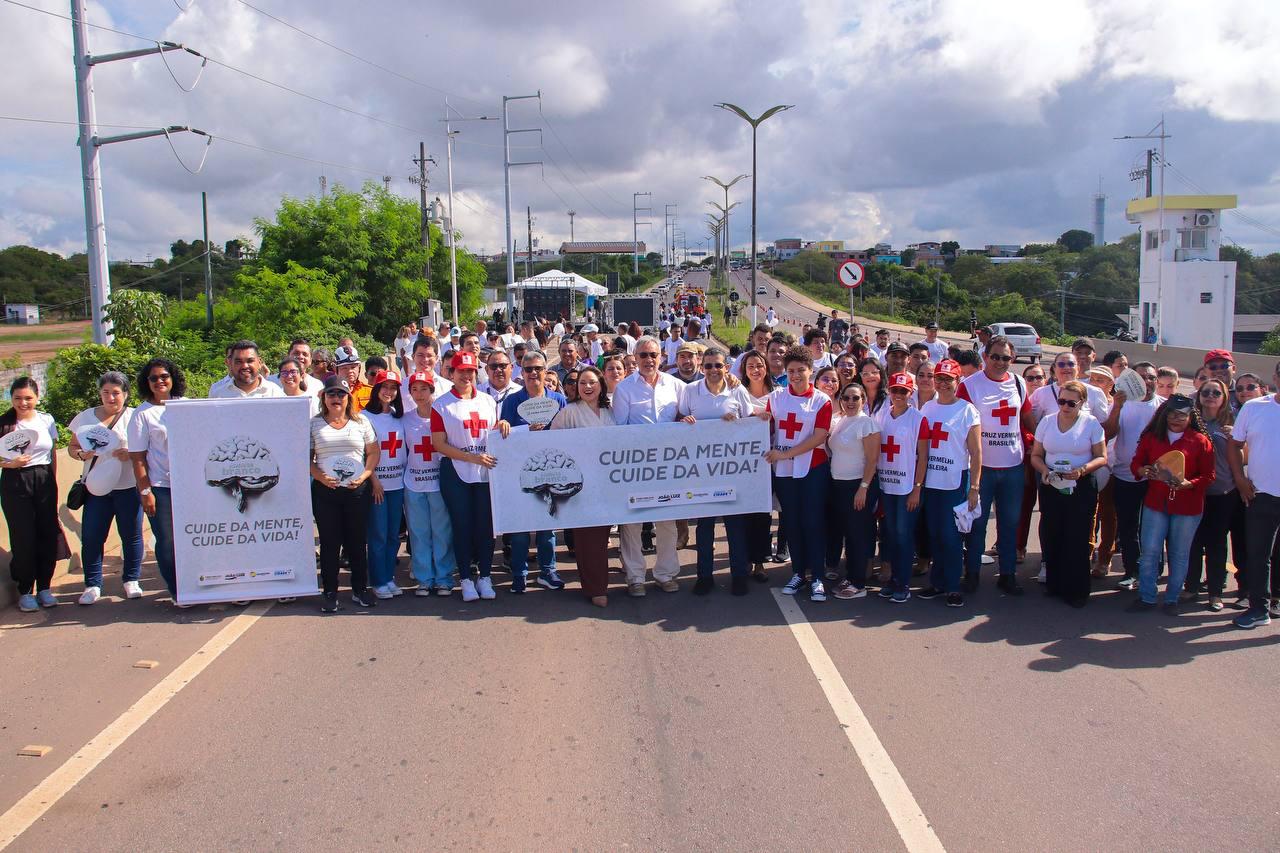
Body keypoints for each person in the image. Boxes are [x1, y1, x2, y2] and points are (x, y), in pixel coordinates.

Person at [612, 336, 688, 596]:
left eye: (653, 355)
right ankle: (634, 577)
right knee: (632, 522)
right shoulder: (624, 389)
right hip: (635, 466)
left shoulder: (676, 386)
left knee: (666, 521)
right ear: (635, 358)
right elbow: (619, 429)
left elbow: (690, 412)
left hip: (668, 465)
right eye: (643, 355)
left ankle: (665, 574)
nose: (648, 360)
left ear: (661, 357)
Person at [678, 347, 758, 596]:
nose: (713, 370)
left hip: (732, 469)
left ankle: (739, 576)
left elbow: (750, 423)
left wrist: (738, 422)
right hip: (702, 470)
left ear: (726, 367)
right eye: (709, 365)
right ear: (702, 367)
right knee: (705, 526)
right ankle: (704, 576)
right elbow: (680, 418)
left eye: (718, 365)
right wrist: (685, 422)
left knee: (735, 525)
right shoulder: (691, 391)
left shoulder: (737, 390)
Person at [957, 335, 1032, 596]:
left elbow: (1027, 418)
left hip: (1013, 466)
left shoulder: (1018, 383)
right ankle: (972, 573)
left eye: (1006, 358)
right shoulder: (969, 385)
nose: (1000, 362)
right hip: (982, 468)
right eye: (995, 357)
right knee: (977, 524)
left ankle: (1008, 575)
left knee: (1010, 523)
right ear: (985, 356)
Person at [432, 351, 509, 603]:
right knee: (462, 526)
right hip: (455, 472)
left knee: (486, 527)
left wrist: (502, 425)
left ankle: (485, 576)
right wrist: (471, 458)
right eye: (461, 371)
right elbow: (439, 444)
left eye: (470, 371)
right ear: (451, 373)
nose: (466, 375)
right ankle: (465, 578)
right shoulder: (441, 405)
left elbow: (492, 432)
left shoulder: (488, 401)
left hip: (486, 471)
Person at [1129, 394, 1215, 612]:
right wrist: (1142, 470)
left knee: (1179, 553)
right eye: (1172, 414)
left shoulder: (1200, 441)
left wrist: (1190, 484)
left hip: (1187, 506)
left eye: (1182, 415)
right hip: (1156, 503)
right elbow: (1136, 463)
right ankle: (1147, 597)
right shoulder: (1152, 437)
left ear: (1190, 417)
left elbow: (1209, 475)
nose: (1176, 419)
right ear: (1164, 414)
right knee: (1150, 551)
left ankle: (1171, 599)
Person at [1030, 380, 1108, 608]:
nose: (1065, 406)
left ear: (1082, 403)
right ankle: (1055, 583)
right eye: (1061, 401)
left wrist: (1082, 470)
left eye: (1071, 403)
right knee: (1052, 532)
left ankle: (1076, 590)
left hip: (1081, 485)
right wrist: (1044, 470)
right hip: (1052, 483)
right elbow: (1036, 455)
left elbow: (1101, 457)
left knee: (1077, 536)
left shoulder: (1091, 424)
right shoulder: (1047, 422)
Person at [68, 371, 142, 605]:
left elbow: (148, 449)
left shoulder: (135, 417)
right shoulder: (85, 418)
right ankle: (92, 585)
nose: (111, 397)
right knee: (92, 537)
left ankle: (131, 580)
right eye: (106, 392)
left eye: (116, 393)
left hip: (128, 486)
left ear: (126, 394)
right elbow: (72, 446)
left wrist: (130, 454)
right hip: (96, 488)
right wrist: (81, 454)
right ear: (100, 393)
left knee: (131, 535)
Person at [768, 346, 834, 601]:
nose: (795, 375)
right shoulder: (776, 397)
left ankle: (817, 576)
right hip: (784, 472)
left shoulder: (821, 400)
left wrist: (786, 454)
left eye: (801, 370)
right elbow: (763, 421)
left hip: (812, 469)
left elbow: (819, 436)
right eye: (791, 371)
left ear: (811, 371)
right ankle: (798, 573)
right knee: (792, 522)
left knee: (813, 522)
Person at [498, 350, 567, 592]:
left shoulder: (558, 399)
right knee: (520, 529)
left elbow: (567, 434)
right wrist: (515, 428)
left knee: (548, 526)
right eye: (528, 369)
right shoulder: (511, 402)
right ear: (522, 372)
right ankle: (519, 574)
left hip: (550, 471)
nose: (533, 373)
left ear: (546, 371)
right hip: (521, 472)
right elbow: (504, 438)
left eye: (538, 368)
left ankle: (548, 571)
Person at [310, 376, 380, 613]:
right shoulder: (314, 424)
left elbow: (373, 452)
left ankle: (360, 589)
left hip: (356, 490)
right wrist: (320, 477)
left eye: (341, 394)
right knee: (330, 543)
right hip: (326, 491)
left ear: (348, 397)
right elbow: (306, 458)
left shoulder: (361, 421)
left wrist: (365, 475)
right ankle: (330, 591)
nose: (336, 398)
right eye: (331, 393)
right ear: (324, 397)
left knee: (357, 541)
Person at [548, 366, 615, 607]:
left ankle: (595, 583)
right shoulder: (569, 412)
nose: (587, 387)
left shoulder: (610, 410)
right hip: (580, 484)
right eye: (582, 383)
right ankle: (596, 588)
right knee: (588, 539)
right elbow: (553, 443)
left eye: (592, 382)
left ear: (601, 385)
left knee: (602, 537)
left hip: (607, 483)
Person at [917, 360, 981, 607]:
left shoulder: (967, 410)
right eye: (939, 378)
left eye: (948, 379)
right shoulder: (927, 408)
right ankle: (937, 583)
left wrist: (974, 487)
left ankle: (953, 586)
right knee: (934, 534)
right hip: (930, 481)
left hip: (955, 482)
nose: (943, 383)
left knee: (951, 535)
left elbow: (976, 452)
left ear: (958, 381)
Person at [127, 359, 186, 603]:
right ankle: (177, 590)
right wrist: (145, 492)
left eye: (164, 376)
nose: (160, 381)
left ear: (173, 378)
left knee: (192, 539)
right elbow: (137, 459)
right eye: (153, 378)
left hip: (189, 486)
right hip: (161, 487)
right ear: (146, 382)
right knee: (167, 541)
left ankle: (197, 585)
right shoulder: (141, 414)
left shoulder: (186, 406)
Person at [1, 377, 61, 612]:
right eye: (17, 398)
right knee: (23, 537)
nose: (23, 403)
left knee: (47, 532)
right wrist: (10, 464)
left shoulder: (46, 420)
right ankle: (26, 590)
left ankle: (45, 587)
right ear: (11, 398)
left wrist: (52, 479)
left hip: (44, 479)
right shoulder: (5, 423)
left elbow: (52, 453)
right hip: (15, 480)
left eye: (28, 398)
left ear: (37, 397)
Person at [1229, 360, 1280, 629]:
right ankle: (1259, 609)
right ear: (1275, 378)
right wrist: (1240, 479)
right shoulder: (1254, 407)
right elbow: (1235, 445)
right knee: (1259, 555)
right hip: (1261, 495)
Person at [1103, 362, 1163, 590]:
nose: (1146, 382)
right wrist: (1117, 407)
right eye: (1141, 377)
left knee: (1154, 528)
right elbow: (1108, 433)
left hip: (1156, 479)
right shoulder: (1121, 404)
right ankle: (1132, 571)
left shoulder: (1164, 407)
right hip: (1124, 476)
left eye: (1151, 377)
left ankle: (1153, 572)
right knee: (1128, 528)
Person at [874, 371, 929, 602]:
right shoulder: (881, 416)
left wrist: (917, 488)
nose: (898, 395)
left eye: (903, 391)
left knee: (903, 534)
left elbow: (923, 456)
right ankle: (893, 579)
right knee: (890, 533)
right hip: (886, 486)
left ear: (910, 393)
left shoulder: (918, 419)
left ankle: (903, 583)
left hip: (907, 488)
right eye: (894, 390)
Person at [401, 372, 455, 597]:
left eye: (424, 389)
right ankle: (424, 579)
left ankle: (444, 578)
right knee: (418, 532)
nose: (419, 394)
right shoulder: (405, 419)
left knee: (442, 532)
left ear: (432, 391)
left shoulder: (443, 415)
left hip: (438, 483)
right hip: (413, 483)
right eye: (414, 389)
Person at [826, 380, 880, 599]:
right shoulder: (841, 421)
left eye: (855, 398)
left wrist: (863, 488)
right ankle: (850, 576)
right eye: (846, 397)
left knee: (858, 534)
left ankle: (858, 583)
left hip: (858, 485)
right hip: (838, 485)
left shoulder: (867, 424)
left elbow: (872, 460)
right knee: (848, 533)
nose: (850, 401)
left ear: (863, 400)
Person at [1187, 379, 1238, 610]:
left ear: (1224, 397)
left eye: (1216, 393)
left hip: (1222, 491)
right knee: (1193, 541)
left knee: (1217, 543)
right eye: (1205, 392)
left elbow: (1246, 456)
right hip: (1194, 490)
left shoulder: (1232, 422)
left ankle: (1215, 593)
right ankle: (1191, 587)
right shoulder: (1191, 421)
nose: (1210, 396)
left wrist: (1236, 438)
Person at [363, 370, 408, 600]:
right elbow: (363, 454)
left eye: (393, 387)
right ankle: (378, 580)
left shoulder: (399, 416)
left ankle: (389, 577)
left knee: (393, 536)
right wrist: (373, 480)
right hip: (377, 486)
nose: (388, 391)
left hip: (398, 485)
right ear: (376, 389)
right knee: (378, 535)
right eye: (384, 386)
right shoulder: (364, 418)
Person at [738, 350, 776, 582]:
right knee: (743, 513)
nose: (755, 370)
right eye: (750, 366)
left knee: (762, 513)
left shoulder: (778, 396)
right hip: (741, 465)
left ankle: (760, 561)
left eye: (759, 365)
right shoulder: (737, 394)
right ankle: (743, 559)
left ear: (766, 368)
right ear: (744, 370)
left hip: (767, 463)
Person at [209, 340, 286, 399]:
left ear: (260, 363)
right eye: (238, 362)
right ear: (230, 364)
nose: (245, 366)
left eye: (250, 361)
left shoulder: (275, 392)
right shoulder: (217, 394)